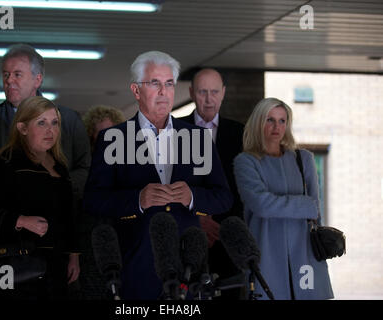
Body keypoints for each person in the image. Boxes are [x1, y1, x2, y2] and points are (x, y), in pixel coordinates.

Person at [83, 51, 233, 300]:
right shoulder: (113, 138)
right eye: (155, 83)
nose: (164, 91)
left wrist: (192, 197)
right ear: (136, 90)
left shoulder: (197, 138)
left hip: (188, 269)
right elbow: (93, 200)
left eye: (169, 83)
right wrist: (137, 200)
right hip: (136, 265)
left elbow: (223, 197)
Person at [0, 44, 91, 290]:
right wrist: (5, 203)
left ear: (37, 79)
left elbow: (86, 170)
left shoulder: (68, 121)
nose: (9, 81)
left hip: (53, 240)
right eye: (5, 74)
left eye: (18, 74)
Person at [0, 96, 80, 299]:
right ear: (23, 128)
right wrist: (21, 221)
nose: (50, 130)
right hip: (20, 262)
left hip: (56, 262)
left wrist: (74, 256)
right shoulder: (6, 164)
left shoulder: (60, 166)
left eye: (54, 123)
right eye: (41, 123)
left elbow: (70, 215)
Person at [234, 97, 334, 300]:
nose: (276, 127)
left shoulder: (303, 159)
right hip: (266, 254)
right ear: (258, 122)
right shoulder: (245, 162)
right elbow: (261, 205)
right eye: (270, 120)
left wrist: (302, 207)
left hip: (305, 254)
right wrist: (303, 205)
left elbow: (315, 210)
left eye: (282, 120)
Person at [180, 68, 244, 299]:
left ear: (224, 93)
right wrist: (196, 217)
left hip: (227, 239)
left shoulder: (241, 134)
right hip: (186, 236)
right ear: (191, 92)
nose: (209, 99)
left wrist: (218, 225)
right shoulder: (173, 131)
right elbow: (167, 181)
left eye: (215, 92)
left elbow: (243, 190)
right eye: (202, 92)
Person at [78, 105, 125, 299]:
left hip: (124, 247)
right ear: (91, 136)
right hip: (91, 249)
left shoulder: (130, 167)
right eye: (102, 133)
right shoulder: (83, 170)